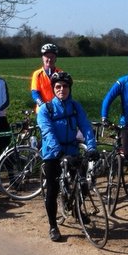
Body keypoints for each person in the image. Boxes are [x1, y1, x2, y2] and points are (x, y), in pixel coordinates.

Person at [38, 72, 98, 242]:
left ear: (69, 88)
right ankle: (53, 226)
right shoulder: (46, 109)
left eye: (65, 86)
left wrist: (92, 147)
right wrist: (60, 153)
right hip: (52, 153)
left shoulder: (75, 106)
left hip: (72, 150)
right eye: (58, 86)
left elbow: (85, 126)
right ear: (53, 89)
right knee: (53, 189)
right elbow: (47, 132)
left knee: (83, 183)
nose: (62, 89)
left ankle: (77, 210)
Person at [30, 43, 61, 111]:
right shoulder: (37, 74)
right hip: (42, 110)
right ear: (42, 58)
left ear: (56, 58)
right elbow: (35, 92)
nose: (49, 59)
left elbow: (65, 92)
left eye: (52, 56)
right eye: (47, 56)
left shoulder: (60, 73)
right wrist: (42, 105)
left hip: (58, 109)